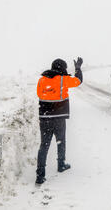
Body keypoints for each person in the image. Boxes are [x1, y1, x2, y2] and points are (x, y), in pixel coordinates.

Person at [35, 57, 83, 185]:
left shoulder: (41, 80)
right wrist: (78, 68)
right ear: (62, 68)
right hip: (59, 118)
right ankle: (61, 164)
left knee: (44, 146)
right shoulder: (63, 80)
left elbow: (39, 94)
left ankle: (40, 175)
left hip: (45, 118)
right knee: (60, 142)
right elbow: (78, 81)